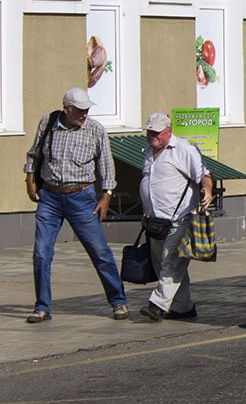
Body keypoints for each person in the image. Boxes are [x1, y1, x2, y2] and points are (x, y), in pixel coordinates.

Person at [22, 87, 128, 323]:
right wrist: (30, 180)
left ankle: (118, 301)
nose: (84, 114)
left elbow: (106, 164)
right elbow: (34, 154)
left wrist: (106, 195)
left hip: (81, 197)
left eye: (87, 109)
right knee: (41, 252)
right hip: (50, 197)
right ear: (66, 109)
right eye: (79, 110)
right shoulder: (48, 123)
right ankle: (42, 307)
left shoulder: (94, 129)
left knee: (99, 251)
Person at [138, 113, 214, 321]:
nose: (152, 135)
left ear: (169, 131)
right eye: (149, 131)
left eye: (157, 132)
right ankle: (183, 307)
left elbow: (204, 175)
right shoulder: (149, 151)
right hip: (155, 221)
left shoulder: (183, 149)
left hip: (179, 219)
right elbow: (150, 184)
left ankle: (157, 305)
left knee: (171, 262)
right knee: (164, 264)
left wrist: (207, 190)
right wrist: (146, 213)